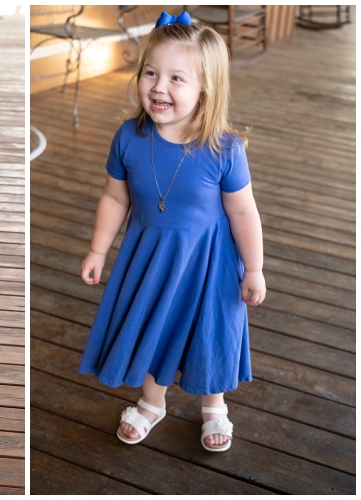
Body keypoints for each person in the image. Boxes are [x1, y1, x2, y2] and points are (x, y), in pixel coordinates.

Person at [78, 12, 265, 453]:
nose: (159, 87)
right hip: (151, 256)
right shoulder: (129, 137)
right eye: (151, 73)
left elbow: (243, 212)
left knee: (210, 330)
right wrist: (98, 249)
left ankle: (214, 405)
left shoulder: (223, 148)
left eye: (177, 78)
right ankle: (151, 402)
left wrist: (253, 269)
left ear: (206, 89)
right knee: (152, 327)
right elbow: (115, 199)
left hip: (210, 262)